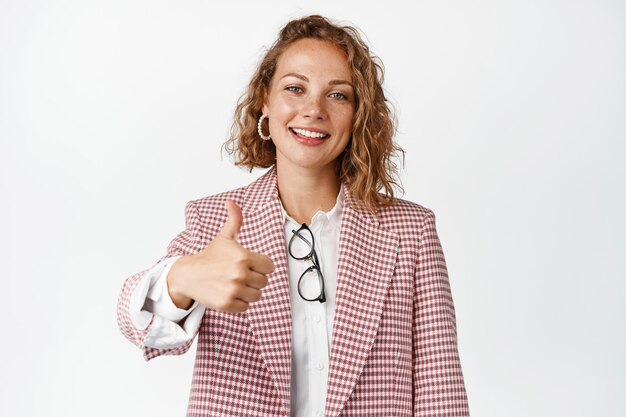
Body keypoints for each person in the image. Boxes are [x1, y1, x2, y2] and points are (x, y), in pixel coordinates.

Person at [117, 15, 470, 417]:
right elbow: (138, 327)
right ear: (265, 100)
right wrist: (182, 278)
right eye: (295, 88)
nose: (313, 109)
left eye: (338, 95)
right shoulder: (216, 220)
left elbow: (441, 393)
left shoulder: (411, 231)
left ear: (358, 115)